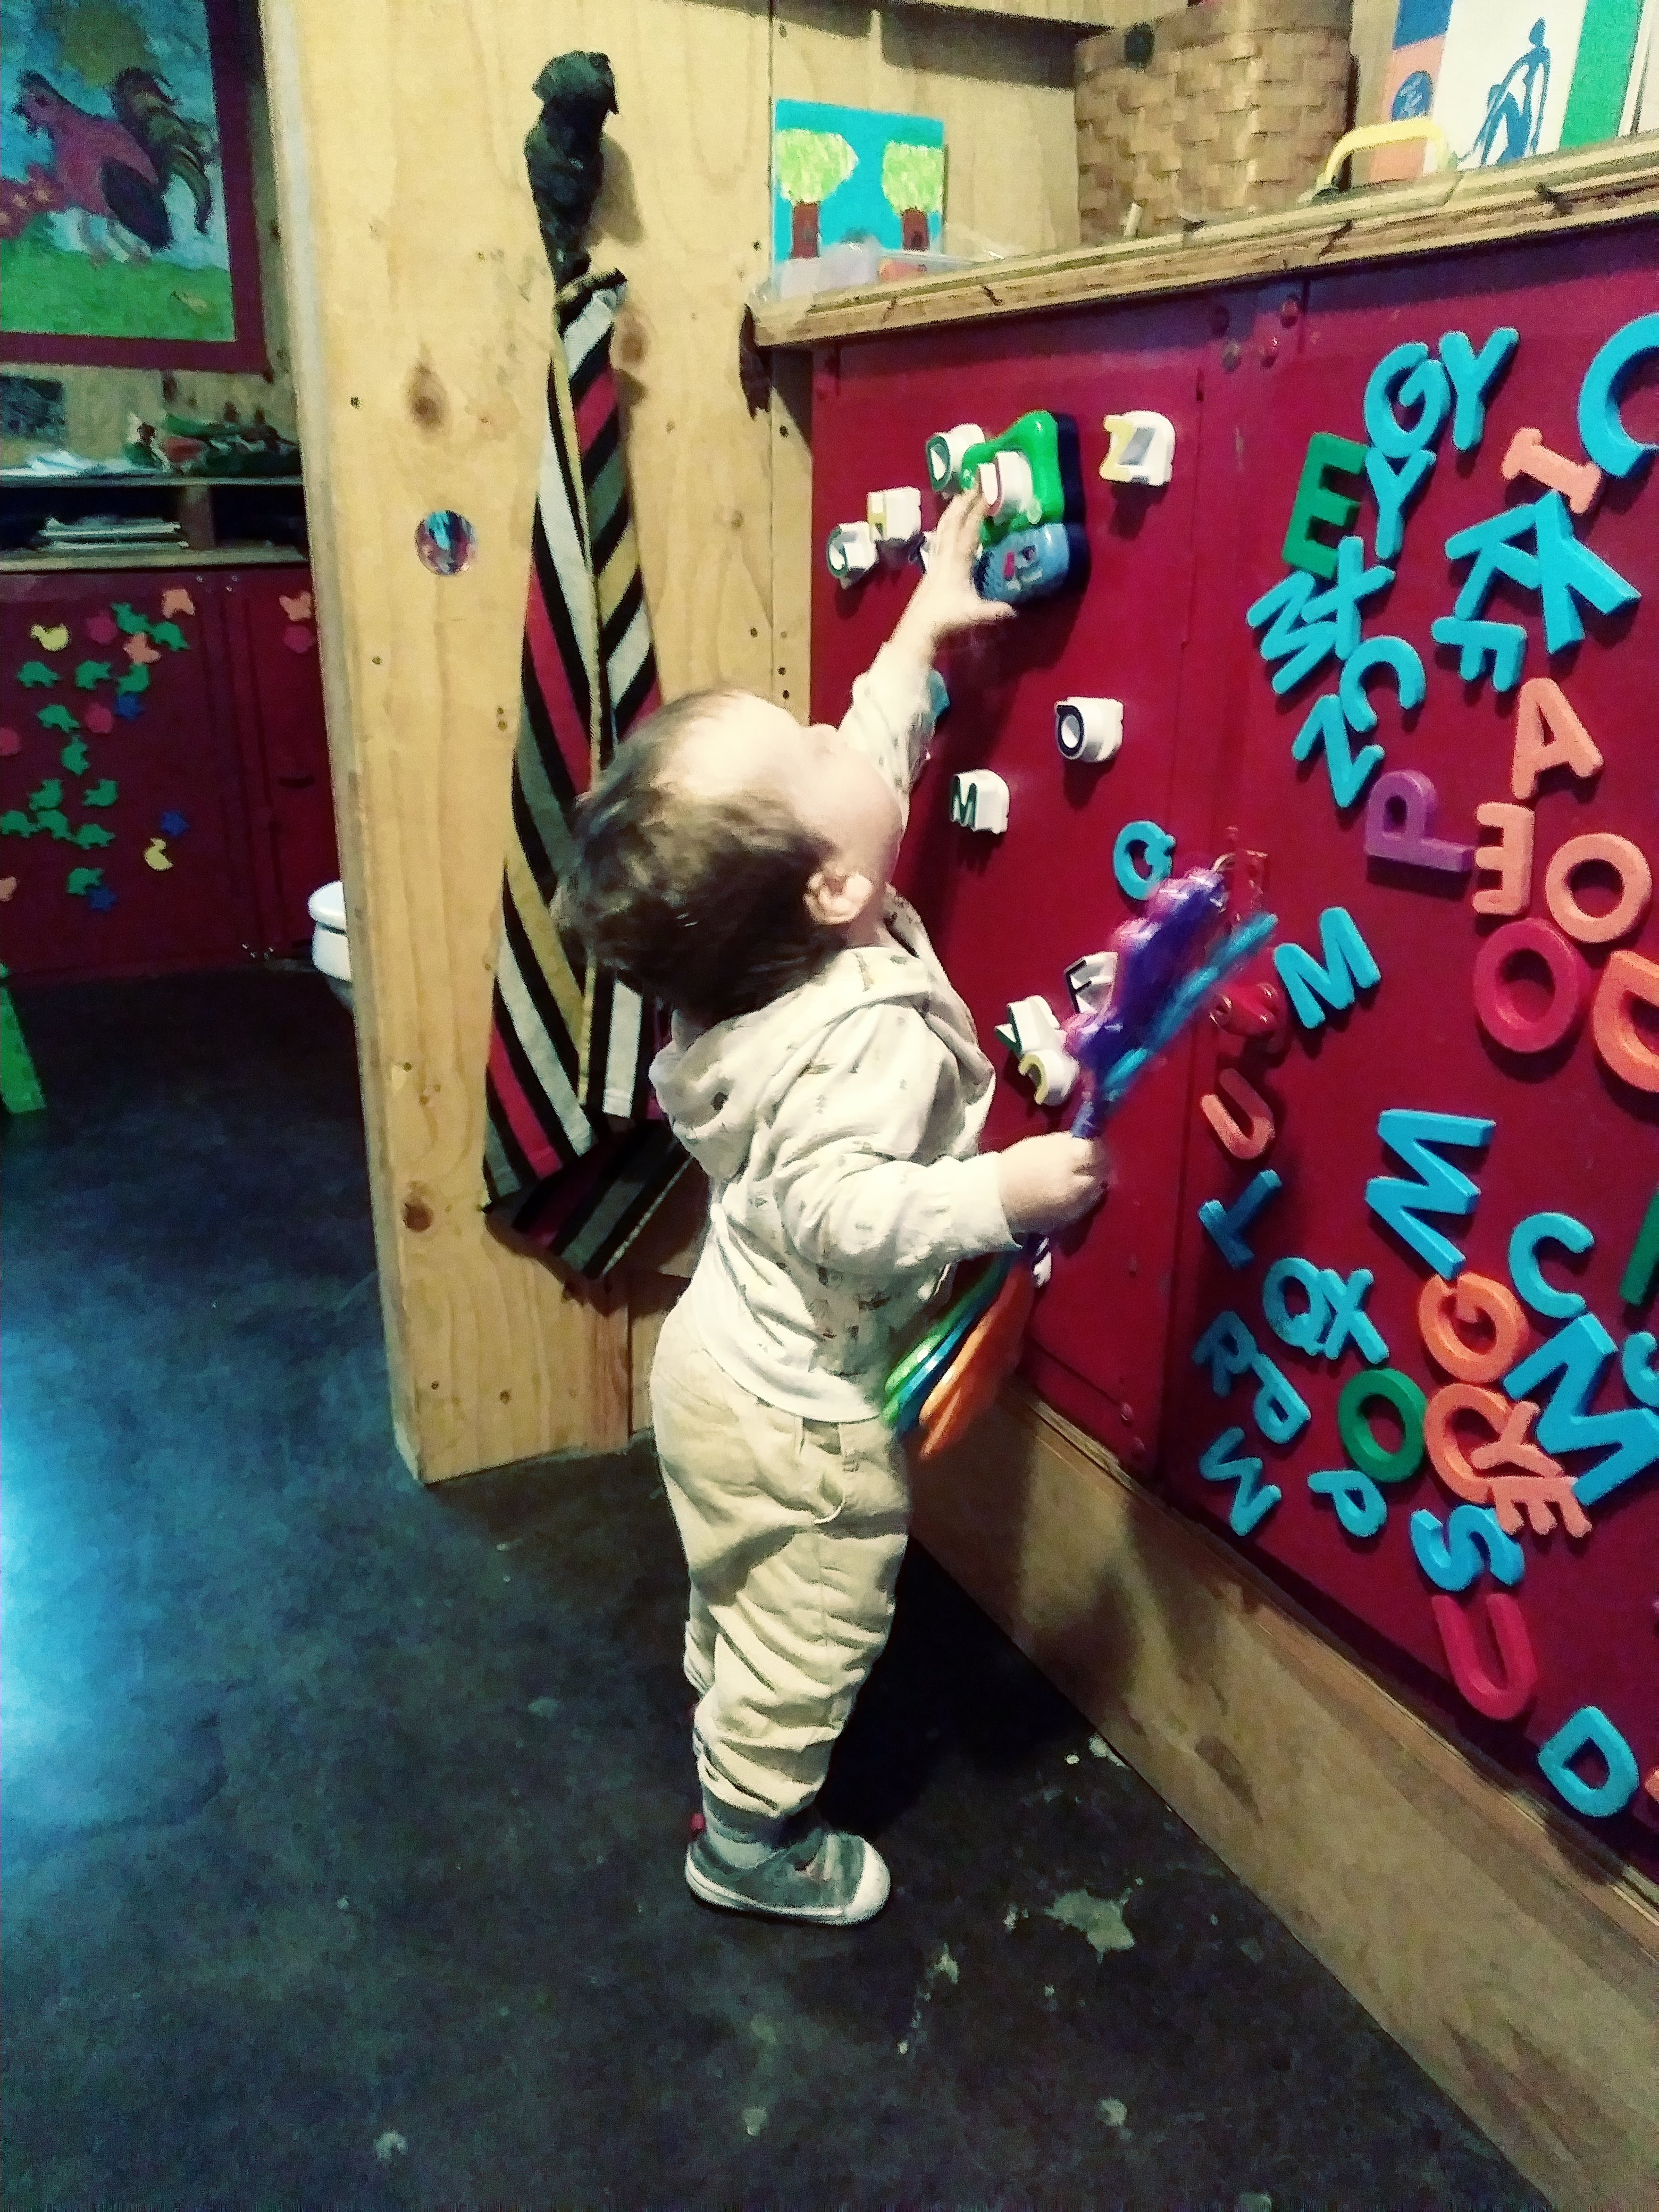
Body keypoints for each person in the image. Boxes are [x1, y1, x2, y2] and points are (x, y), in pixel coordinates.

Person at [560, 489, 1107, 1924]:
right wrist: (1000, 1191)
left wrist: (920, 628)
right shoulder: (845, 1046)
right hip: (805, 1420)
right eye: (808, 747)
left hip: (723, 1369)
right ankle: (749, 1842)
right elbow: (843, 1215)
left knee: (743, 1580)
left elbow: (870, 759)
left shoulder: (770, 947)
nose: (834, 733)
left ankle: (725, 1698)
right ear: (834, 888)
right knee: (818, 1622)